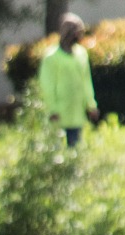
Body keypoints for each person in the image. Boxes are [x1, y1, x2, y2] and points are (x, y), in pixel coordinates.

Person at [38, 14, 100, 147]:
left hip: (76, 114)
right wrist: (52, 109)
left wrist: (91, 105)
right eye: (78, 32)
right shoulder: (51, 57)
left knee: (75, 150)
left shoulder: (81, 54)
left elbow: (86, 81)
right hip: (58, 114)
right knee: (56, 152)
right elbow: (47, 85)